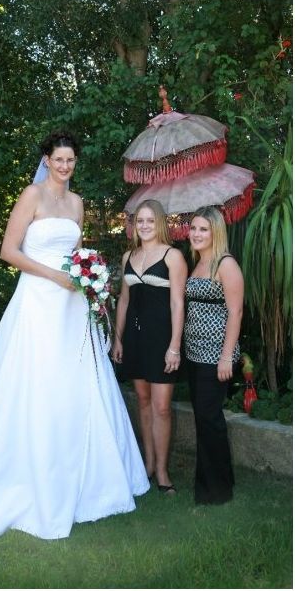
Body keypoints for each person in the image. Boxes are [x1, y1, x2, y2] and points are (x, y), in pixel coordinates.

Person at [0, 130, 150, 539]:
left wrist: (86, 275)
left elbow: (76, 253)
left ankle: (89, 473)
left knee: (77, 381)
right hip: (38, 300)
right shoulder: (31, 195)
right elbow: (9, 251)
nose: (64, 166)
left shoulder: (77, 202)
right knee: (37, 378)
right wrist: (54, 276)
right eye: (58, 160)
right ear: (46, 160)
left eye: (70, 160)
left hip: (72, 305)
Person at [113, 200, 187, 494]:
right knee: (143, 401)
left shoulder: (173, 256)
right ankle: (148, 464)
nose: (144, 226)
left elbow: (178, 303)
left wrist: (175, 346)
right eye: (139, 221)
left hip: (162, 339)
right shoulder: (128, 256)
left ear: (160, 224)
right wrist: (118, 338)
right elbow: (124, 300)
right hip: (134, 338)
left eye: (150, 220)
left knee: (162, 407)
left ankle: (163, 472)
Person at [184, 206, 244, 505]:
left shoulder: (225, 263)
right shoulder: (198, 262)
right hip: (194, 353)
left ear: (216, 232)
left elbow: (236, 311)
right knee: (204, 418)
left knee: (210, 419)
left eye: (203, 229)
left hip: (216, 356)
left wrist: (225, 357)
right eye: (194, 228)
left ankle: (217, 491)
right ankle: (218, 480)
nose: (196, 234)